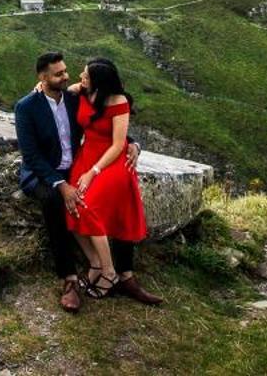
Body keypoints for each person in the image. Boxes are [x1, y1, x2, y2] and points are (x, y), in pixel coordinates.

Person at [13, 52, 162, 314]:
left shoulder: (73, 97)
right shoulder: (27, 106)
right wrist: (61, 184)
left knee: (118, 191)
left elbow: (109, 122)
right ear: (42, 77)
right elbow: (31, 156)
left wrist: (135, 144)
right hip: (44, 172)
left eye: (66, 71)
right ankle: (69, 278)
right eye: (59, 73)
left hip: (78, 166)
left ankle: (119, 273)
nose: (67, 76)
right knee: (54, 201)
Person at [64, 58, 155, 304]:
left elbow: (117, 143)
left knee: (89, 206)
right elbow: (57, 89)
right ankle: (95, 263)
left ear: (100, 82)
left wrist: (94, 171)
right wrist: (38, 88)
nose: (81, 77)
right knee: (72, 204)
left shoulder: (119, 101)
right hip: (87, 155)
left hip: (111, 160)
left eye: (86, 75)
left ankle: (110, 273)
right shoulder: (82, 90)